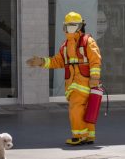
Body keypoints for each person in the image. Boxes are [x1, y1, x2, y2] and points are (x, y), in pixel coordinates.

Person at [26, 11, 102, 145]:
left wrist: (95, 78)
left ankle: (79, 136)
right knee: (84, 110)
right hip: (74, 84)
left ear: (80, 27)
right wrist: (42, 62)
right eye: (67, 26)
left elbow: (95, 60)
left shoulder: (87, 41)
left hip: (84, 83)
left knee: (75, 109)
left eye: (72, 26)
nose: (69, 29)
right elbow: (58, 61)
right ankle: (89, 135)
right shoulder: (65, 46)